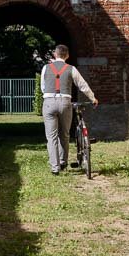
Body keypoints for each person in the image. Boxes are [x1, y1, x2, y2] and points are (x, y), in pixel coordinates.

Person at [40, 44, 98, 175]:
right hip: (65, 102)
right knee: (64, 134)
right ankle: (63, 161)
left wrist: (50, 95)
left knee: (51, 136)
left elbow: (43, 87)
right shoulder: (71, 69)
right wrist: (93, 98)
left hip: (49, 102)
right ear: (67, 56)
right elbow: (83, 85)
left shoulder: (45, 68)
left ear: (55, 54)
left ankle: (55, 168)